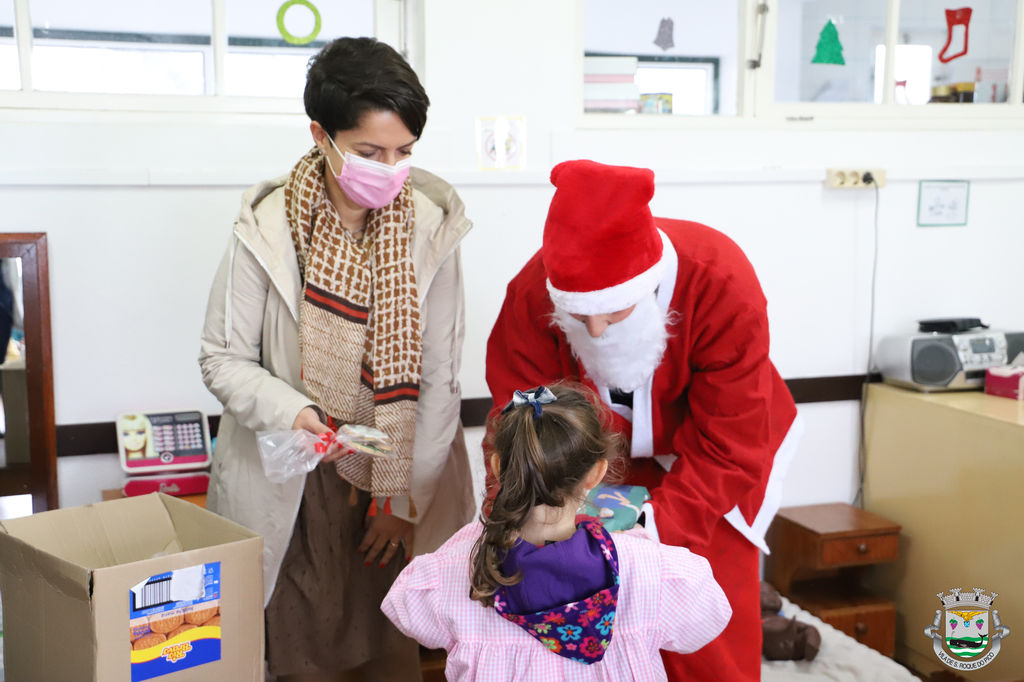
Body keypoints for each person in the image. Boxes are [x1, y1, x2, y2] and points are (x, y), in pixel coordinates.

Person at [198, 37, 476, 681]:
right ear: (321, 136)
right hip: (291, 477)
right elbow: (222, 358)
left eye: (404, 152)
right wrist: (296, 413)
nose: (389, 168)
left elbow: (437, 377)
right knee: (300, 650)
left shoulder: (431, 225)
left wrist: (399, 498)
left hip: (393, 475)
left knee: (388, 646)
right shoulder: (266, 228)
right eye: (369, 152)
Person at [485, 160, 801, 681]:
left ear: (650, 285)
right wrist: (510, 513)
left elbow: (731, 441)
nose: (597, 332)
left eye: (614, 313)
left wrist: (655, 527)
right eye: (579, 318)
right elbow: (519, 426)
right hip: (594, 459)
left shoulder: (720, 279)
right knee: (581, 605)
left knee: (707, 613)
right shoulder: (530, 296)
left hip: (715, 458)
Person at [382, 383, 731, 680]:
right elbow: (708, 617)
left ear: (498, 467)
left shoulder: (457, 567)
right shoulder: (648, 568)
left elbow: (404, 607)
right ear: (596, 475)